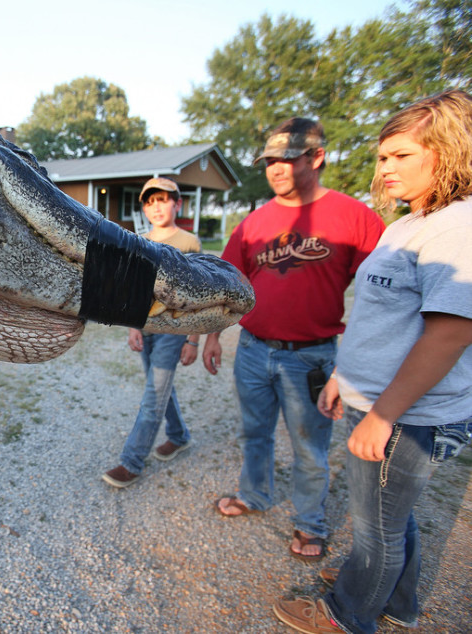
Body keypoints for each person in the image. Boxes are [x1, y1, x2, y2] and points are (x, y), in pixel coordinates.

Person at [273, 90, 472, 634]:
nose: (385, 167)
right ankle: (398, 601)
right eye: (382, 156)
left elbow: (450, 334)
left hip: (407, 415)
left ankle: (348, 614)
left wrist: (383, 415)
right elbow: (379, 317)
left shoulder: (457, 227)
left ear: (451, 151)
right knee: (391, 518)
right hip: (378, 399)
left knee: (375, 528)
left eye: (402, 155)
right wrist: (344, 376)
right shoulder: (410, 222)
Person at [202, 118, 386, 561]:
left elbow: (381, 298)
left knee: (309, 447)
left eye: (286, 159)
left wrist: (350, 366)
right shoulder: (253, 223)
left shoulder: (355, 217)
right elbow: (227, 285)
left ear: (316, 157)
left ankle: (310, 524)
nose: (276, 168)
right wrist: (211, 336)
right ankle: (255, 494)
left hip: (312, 358)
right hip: (253, 349)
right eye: (270, 161)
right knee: (255, 433)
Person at [102, 177, 201, 488]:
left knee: (153, 397)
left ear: (177, 204)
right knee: (159, 389)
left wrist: (193, 340)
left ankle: (132, 461)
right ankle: (179, 436)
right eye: (150, 201)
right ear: (144, 208)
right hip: (146, 329)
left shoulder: (189, 242)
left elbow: (198, 297)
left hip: (174, 331)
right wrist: (133, 328)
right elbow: (135, 292)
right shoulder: (140, 241)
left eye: (163, 200)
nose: (156, 207)